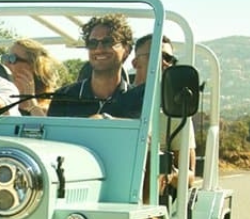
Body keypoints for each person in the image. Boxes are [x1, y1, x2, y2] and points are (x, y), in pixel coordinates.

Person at [134, 34, 198, 190]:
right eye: (154, 55)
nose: (163, 62)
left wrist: (165, 173)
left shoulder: (174, 111)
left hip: (156, 197)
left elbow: (189, 176)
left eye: (168, 58)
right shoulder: (116, 101)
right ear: (135, 63)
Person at [46, 14, 134, 118]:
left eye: (108, 42)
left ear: (126, 50)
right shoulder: (63, 98)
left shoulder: (138, 100)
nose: (99, 49)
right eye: (93, 43)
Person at [1, 39, 65, 116]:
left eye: (12, 58)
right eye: (6, 58)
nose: (6, 63)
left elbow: (45, 126)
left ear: (33, 66)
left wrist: (31, 100)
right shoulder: (0, 99)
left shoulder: (50, 109)